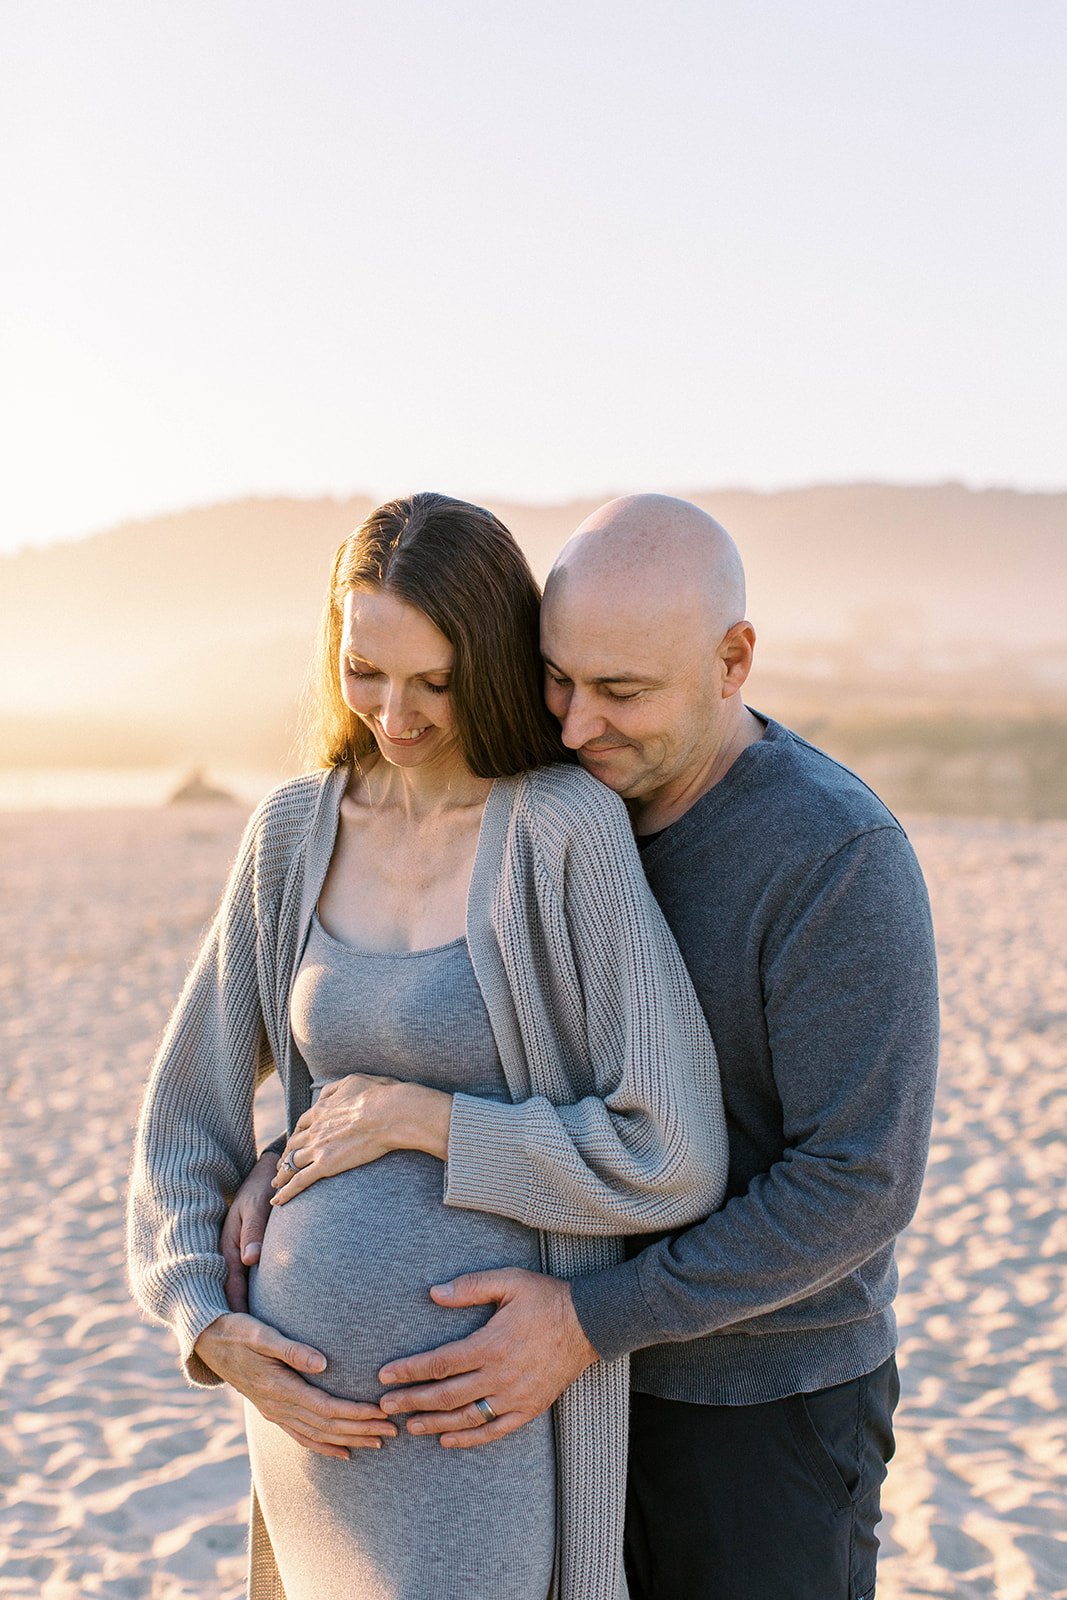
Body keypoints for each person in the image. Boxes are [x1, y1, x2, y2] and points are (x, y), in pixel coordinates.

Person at [228, 493, 939, 1599]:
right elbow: (457, 1052)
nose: (571, 724)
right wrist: (295, 1161)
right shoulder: (542, 814)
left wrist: (586, 1323)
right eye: (555, 677)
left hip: (746, 1408)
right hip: (544, 1403)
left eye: (620, 693)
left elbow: (857, 1182)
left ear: (732, 660)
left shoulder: (832, 855)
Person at [126, 492, 729, 1600]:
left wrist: (428, 1122)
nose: (393, 714)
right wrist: (205, 1323)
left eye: (434, 682)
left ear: (490, 662)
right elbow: (183, 1121)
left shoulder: (559, 831)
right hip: (307, 1431)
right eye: (366, 671)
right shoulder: (293, 831)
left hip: (478, 1418)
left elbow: (674, 1148)